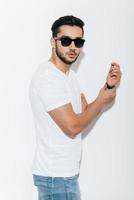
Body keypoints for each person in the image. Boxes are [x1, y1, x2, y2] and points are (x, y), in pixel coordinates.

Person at [29, 15, 122, 200]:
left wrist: (108, 88)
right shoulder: (48, 78)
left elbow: (86, 113)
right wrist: (103, 100)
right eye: (66, 40)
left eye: (78, 41)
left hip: (64, 177)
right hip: (55, 178)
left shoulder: (69, 76)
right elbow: (73, 127)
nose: (73, 47)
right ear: (53, 41)